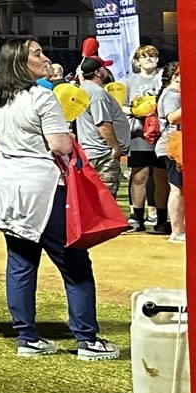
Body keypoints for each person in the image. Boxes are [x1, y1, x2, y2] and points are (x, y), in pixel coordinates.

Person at [0, 37, 121, 360]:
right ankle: (87, 340)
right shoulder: (41, 97)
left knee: (20, 263)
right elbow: (60, 146)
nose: (44, 58)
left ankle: (27, 338)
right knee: (75, 264)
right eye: (37, 53)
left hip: (5, 189)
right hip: (40, 188)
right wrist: (65, 135)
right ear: (20, 62)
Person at [121, 44, 170, 233]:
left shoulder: (163, 79)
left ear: (158, 59)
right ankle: (137, 218)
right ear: (137, 61)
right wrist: (135, 111)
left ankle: (161, 218)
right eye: (144, 56)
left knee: (161, 177)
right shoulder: (129, 82)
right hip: (139, 135)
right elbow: (121, 106)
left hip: (161, 135)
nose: (149, 59)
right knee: (139, 176)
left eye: (152, 55)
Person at [71, 58, 125, 204]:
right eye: (103, 68)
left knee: (93, 197)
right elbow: (103, 124)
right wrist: (115, 147)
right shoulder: (97, 93)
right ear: (97, 72)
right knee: (106, 198)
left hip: (89, 150)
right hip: (102, 153)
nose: (106, 70)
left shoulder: (83, 89)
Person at [159, 61, 185, 244]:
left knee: (180, 188)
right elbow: (172, 118)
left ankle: (180, 229)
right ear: (175, 76)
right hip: (173, 144)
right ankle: (177, 231)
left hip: (176, 144)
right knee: (177, 188)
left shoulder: (174, 94)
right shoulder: (171, 94)